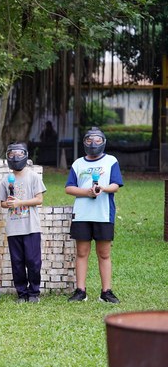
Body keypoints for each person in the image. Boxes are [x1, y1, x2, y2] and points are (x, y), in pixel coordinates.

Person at [65, 127, 123, 304]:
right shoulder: (78, 164)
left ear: (103, 142)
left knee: (104, 253)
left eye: (97, 140)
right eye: (89, 140)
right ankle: (80, 290)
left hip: (103, 213)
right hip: (82, 214)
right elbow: (69, 188)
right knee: (81, 252)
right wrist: (86, 192)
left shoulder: (111, 161)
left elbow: (116, 185)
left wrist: (102, 189)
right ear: (84, 143)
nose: (93, 144)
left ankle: (106, 292)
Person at [0, 143, 46, 303]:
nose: (15, 157)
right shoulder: (6, 180)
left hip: (31, 227)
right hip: (13, 228)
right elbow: (2, 203)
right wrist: (10, 204)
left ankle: (34, 292)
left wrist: (20, 203)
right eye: (12, 154)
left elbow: (39, 199)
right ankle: (22, 293)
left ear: (25, 155)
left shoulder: (33, 176)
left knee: (33, 261)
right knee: (17, 262)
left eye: (19, 154)